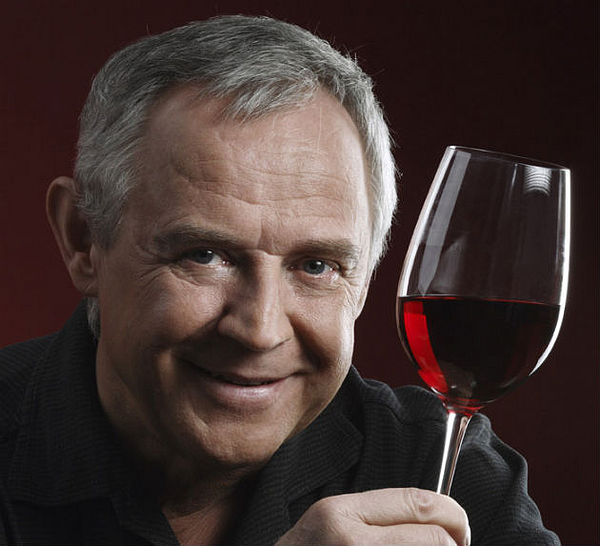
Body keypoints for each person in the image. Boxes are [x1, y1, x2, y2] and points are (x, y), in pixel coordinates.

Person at [0, 15, 559, 546]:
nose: (260, 331)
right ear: (83, 240)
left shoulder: (437, 463)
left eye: (316, 266)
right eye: (204, 255)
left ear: (365, 278)